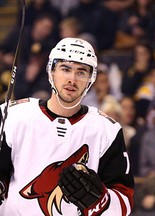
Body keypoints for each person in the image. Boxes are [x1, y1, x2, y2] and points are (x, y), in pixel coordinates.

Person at [0, 37, 134, 215]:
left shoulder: (106, 130)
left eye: (81, 72)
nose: (72, 79)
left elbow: (124, 201)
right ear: (51, 71)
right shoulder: (12, 116)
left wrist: (100, 202)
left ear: (91, 79)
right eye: (65, 69)